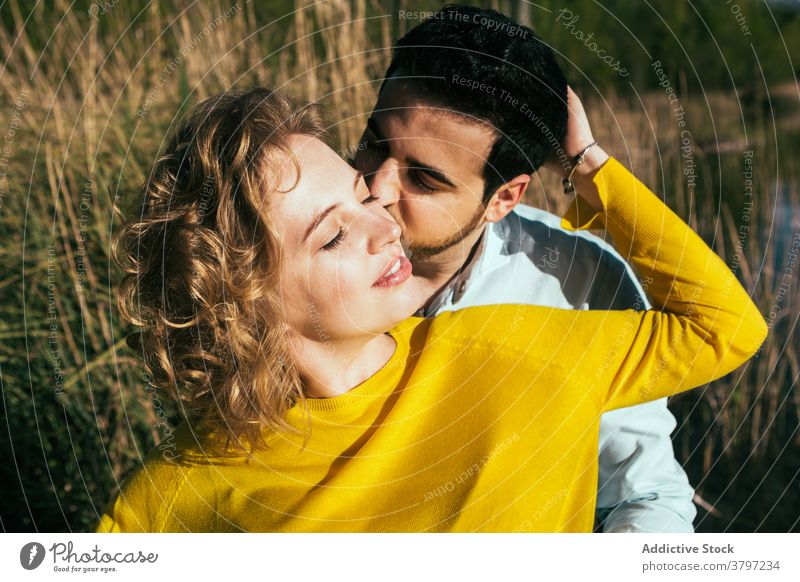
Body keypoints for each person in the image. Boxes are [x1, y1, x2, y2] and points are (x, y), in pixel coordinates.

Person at [96, 86, 766, 533]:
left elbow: (726, 327)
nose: (387, 225)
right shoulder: (170, 494)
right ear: (241, 302)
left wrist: (592, 167)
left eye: (363, 197)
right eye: (333, 235)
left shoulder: (515, 349)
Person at [352, 5, 696, 532]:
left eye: (424, 179)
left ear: (503, 198)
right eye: (374, 143)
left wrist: (587, 162)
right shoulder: (298, 248)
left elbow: (645, 493)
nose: (376, 187)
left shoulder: (579, 286)